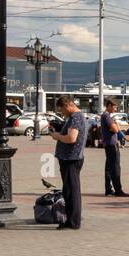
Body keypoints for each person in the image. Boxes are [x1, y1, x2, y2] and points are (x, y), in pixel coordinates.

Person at [49, 96, 87, 229]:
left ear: (67, 105)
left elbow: (71, 138)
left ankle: (73, 222)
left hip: (71, 159)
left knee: (72, 191)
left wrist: (57, 136)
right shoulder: (74, 118)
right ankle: (71, 220)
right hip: (69, 158)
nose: (62, 113)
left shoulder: (76, 117)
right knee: (69, 190)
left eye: (62, 110)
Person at [99, 99, 128, 197]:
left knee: (109, 168)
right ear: (109, 105)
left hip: (108, 144)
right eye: (115, 106)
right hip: (112, 144)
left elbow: (114, 128)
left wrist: (115, 126)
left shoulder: (105, 116)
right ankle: (118, 190)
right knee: (115, 167)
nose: (116, 108)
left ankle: (108, 189)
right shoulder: (106, 116)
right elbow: (115, 129)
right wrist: (115, 126)